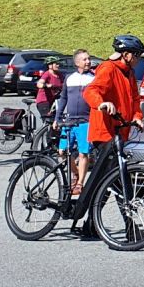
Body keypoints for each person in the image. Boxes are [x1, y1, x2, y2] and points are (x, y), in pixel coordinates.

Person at [54, 50, 95, 198]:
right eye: (84, 59)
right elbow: (63, 98)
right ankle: (76, 173)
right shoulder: (69, 78)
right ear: (77, 62)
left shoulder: (93, 79)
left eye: (89, 59)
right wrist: (57, 118)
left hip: (86, 121)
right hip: (69, 121)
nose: (88, 62)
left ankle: (80, 184)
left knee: (84, 153)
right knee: (62, 152)